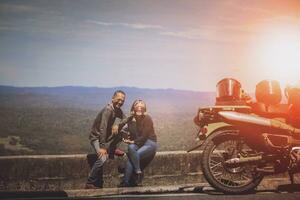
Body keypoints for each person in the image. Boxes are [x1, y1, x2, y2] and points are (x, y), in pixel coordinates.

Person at [85, 90, 126, 189]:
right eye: (118, 99)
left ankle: (111, 149)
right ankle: (90, 182)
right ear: (113, 99)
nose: (120, 102)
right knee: (103, 158)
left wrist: (117, 124)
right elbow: (102, 128)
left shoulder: (117, 109)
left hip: (105, 137)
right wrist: (102, 147)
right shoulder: (108, 109)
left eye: (122, 100)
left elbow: (125, 119)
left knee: (122, 132)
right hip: (96, 137)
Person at [119, 99, 157, 187]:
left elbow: (144, 136)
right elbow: (123, 128)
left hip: (150, 143)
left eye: (141, 106)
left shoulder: (147, 118)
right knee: (131, 148)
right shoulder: (131, 120)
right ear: (134, 109)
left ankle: (129, 178)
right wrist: (120, 130)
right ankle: (135, 174)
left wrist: (132, 141)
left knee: (132, 157)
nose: (139, 108)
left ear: (144, 109)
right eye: (137, 106)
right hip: (139, 143)